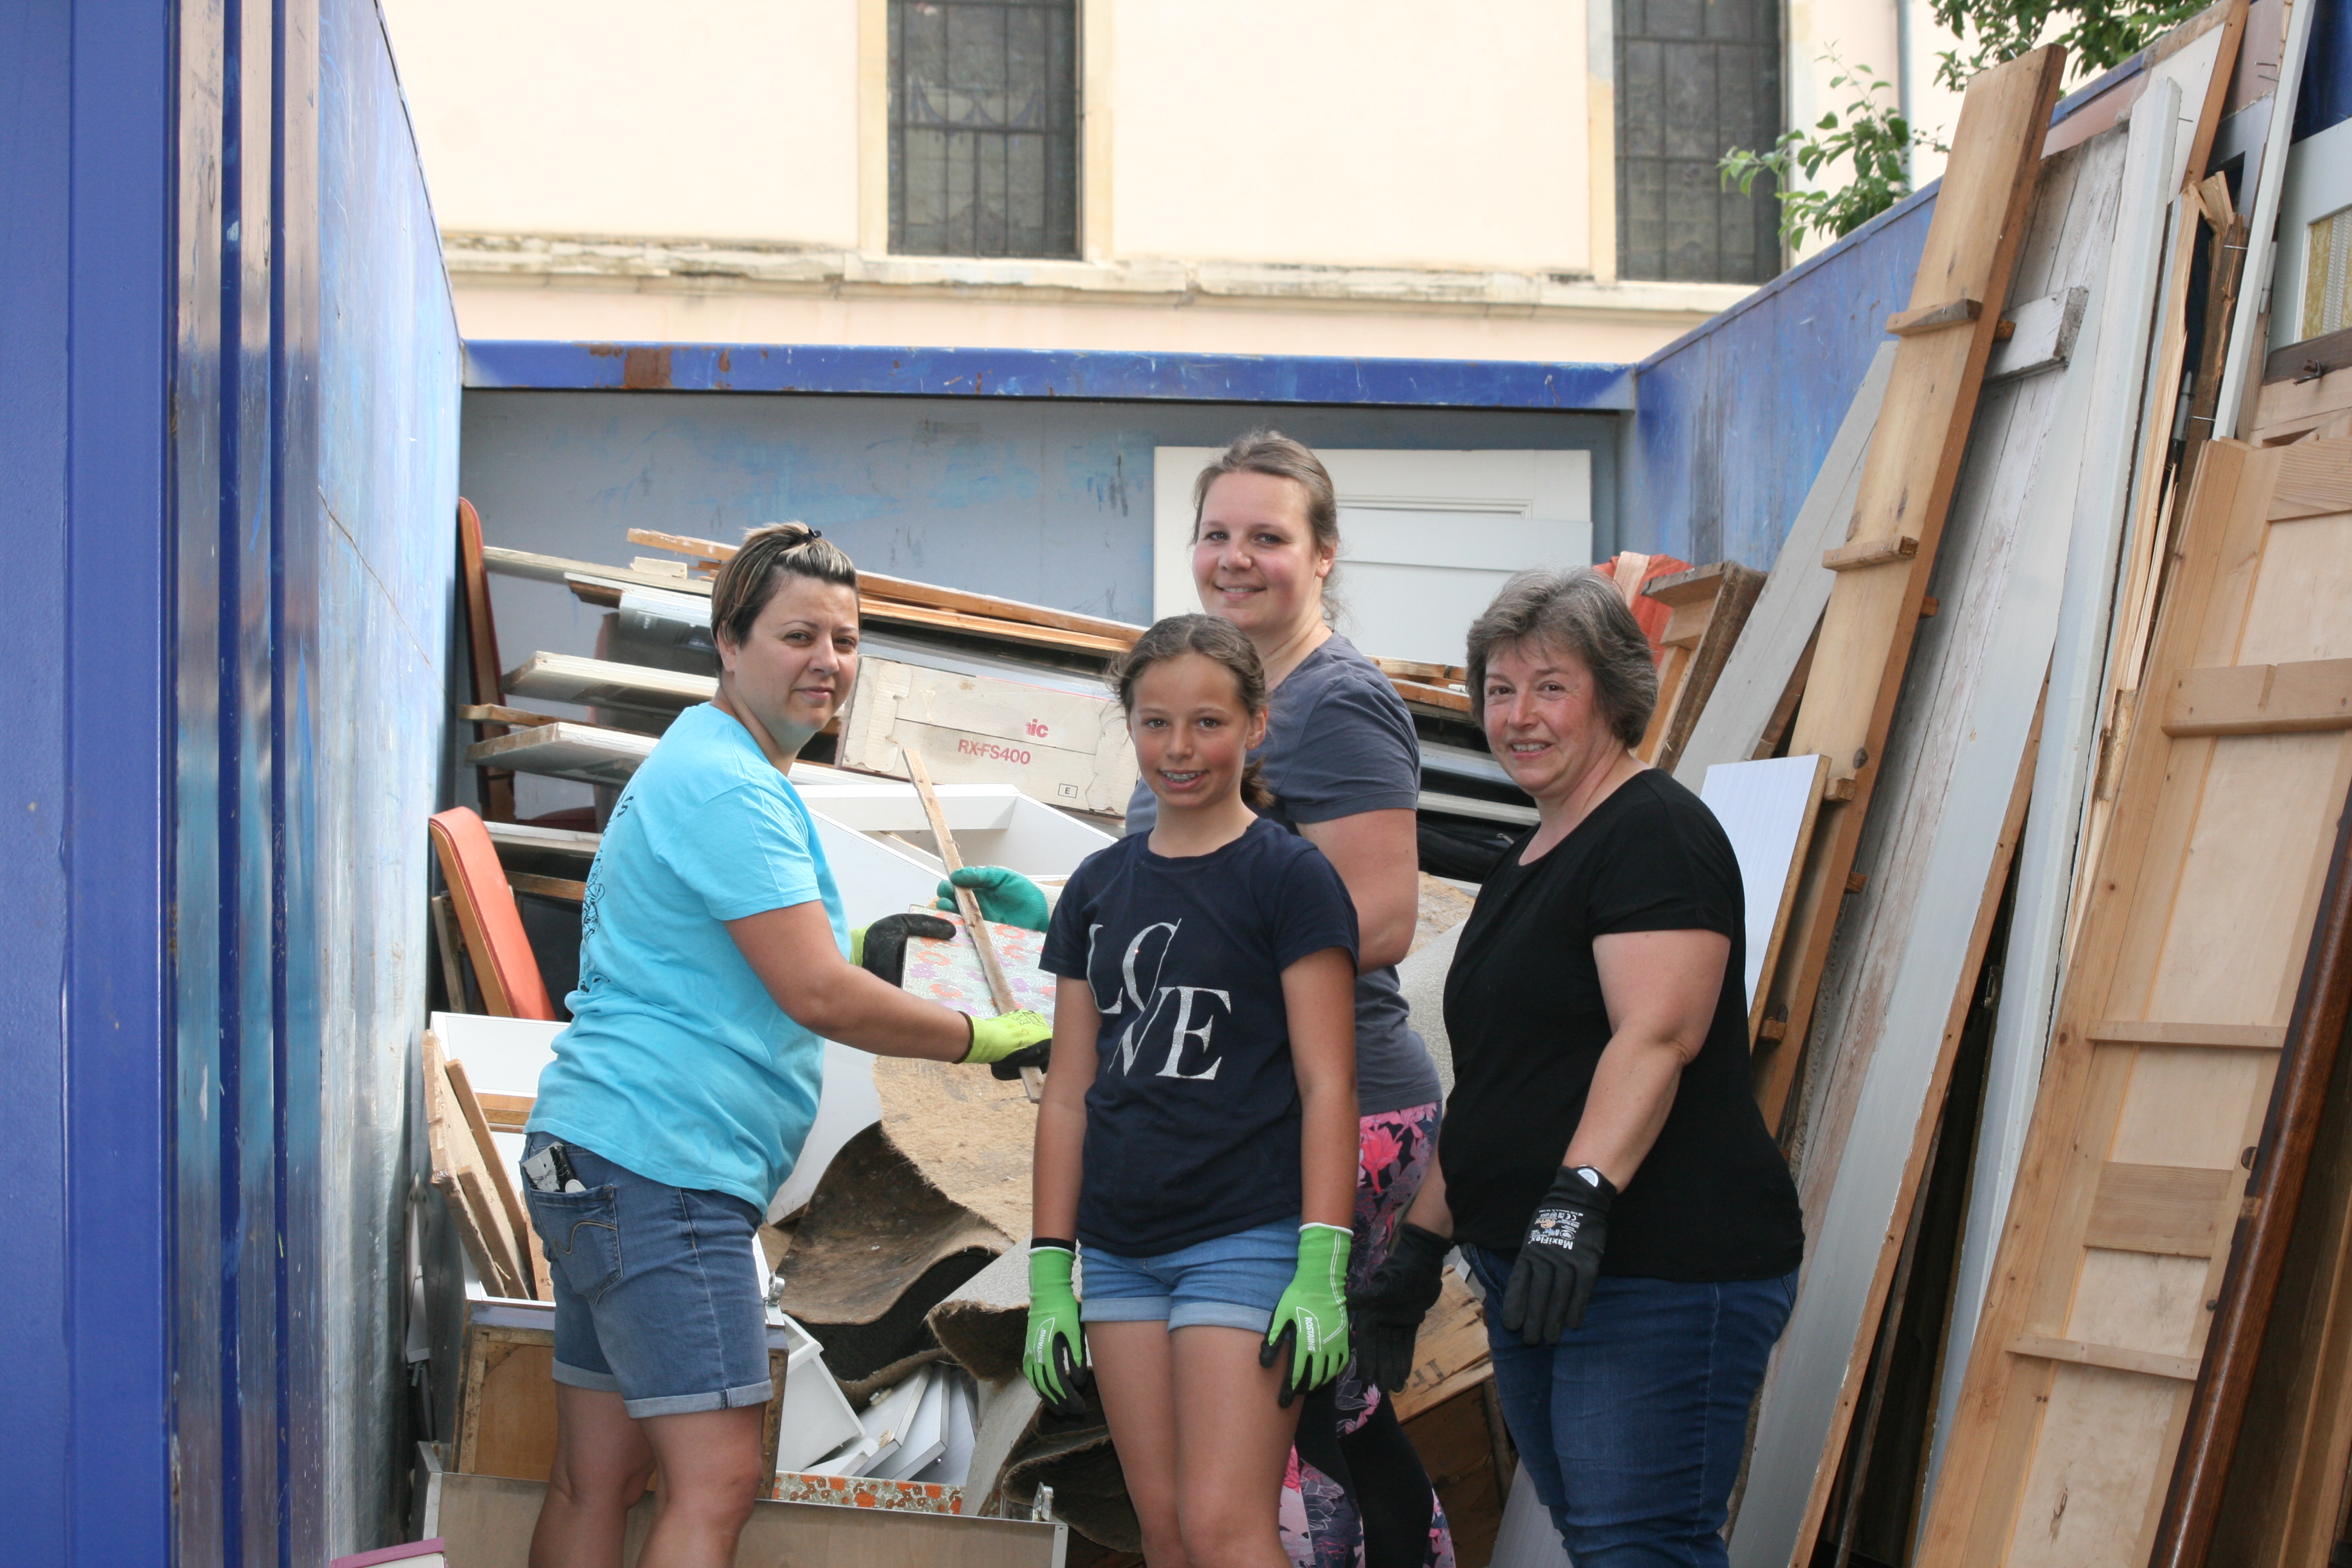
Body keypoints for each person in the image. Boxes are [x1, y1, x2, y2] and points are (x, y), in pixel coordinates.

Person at [947, 432, 1451, 1567]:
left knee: (1294, 1451)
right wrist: (1076, 927)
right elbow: (1158, 898)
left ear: (1324, 554)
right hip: (1171, 1149)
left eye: (1267, 535)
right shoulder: (1200, 691)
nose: (1236, 556)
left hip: (1317, 1121)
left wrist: (1205, 963)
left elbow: (1377, 918)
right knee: (1236, 1483)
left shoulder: (1337, 703)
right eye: (1216, 532)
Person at [517, 523, 1053, 1568]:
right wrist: (981, 1034)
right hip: (664, 1168)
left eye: (847, 641)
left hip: (601, 1156)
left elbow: (771, 955)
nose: (829, 663)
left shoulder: (716, 763)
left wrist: (898, 945)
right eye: (798, 635)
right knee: (713, 1482)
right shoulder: (733, 787)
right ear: (728, 640)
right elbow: (814, 991)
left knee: (601, 1477)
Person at [1349, 568, 1804, 1568]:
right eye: (1500, 690)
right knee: (1601, 1541)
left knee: (1640, 1544)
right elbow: (1503, 1089)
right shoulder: (1529, 859)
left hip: (1658, 1267)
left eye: (1550, 687)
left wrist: (1575, 1202)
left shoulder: (1655, 833)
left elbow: (1659, 1035)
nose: (1519, 716)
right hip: (1537, 1268)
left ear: (1614, 694)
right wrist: (1418, 1254)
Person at [1022, 613, 1363, 1568]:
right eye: (1155, 722)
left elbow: (1330, 1082)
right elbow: (1068, 1093)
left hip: (1245, 1239)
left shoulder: (1290, 878)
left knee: (1224, 1526)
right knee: (1166, 1531)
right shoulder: (1095, 887)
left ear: (1257, 723)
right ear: (1128, 725)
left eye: (1209, 722)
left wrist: (1322, 1265)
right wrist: (1054, 1269)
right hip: (1122, 1251)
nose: (1180, 749)